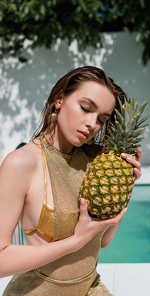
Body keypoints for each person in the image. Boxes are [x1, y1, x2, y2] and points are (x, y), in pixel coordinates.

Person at [0, 66, 142, 296]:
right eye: (85, 108)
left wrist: (126, 185)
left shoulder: (95, 161)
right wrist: (76, 241)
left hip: (90, 289)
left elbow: (103, 239)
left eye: (102, 119)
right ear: (59, 99)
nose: (92, 124)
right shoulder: (21, 163)